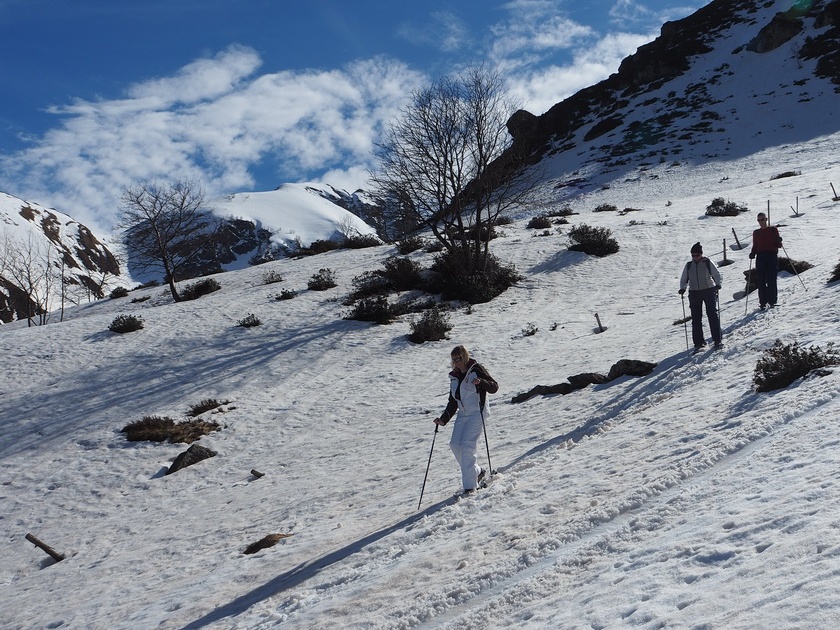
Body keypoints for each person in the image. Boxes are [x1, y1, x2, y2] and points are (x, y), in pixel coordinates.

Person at [434, 345, 498, 495]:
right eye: (454, 359)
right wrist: (443, 419)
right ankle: (476, 471)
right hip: (463, 415)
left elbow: (494, 387)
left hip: (477, 413)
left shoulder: (476, 369)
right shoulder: (454, 377)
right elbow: (453, 401)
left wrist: (481, 382)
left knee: (468, 445)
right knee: (455, 444)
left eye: (459, 358)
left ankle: (470, 487)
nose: (456, 362)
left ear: (465, 356)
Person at [679, 242, 723, 351]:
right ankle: (699, 343)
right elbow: (684, 278)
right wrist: (682, 288)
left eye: (697, 255)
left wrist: (718, 284)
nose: (695, 257)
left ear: (701, 254)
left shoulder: (707, 262)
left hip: (709, 290)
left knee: (712, 315)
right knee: (696, 318)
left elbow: (717, 274)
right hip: (694, 292)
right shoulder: (689, 265)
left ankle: (717, 340)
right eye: (693, 255)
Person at [749, 212, 783, 309]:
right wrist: (752, 253)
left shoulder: (773, 230)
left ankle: (772, 301)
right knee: (761, 280)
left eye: (762, 219)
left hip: (772, 256)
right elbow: (755, 245)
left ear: (766, 219)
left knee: (771, 279)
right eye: (759, 220)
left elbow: (779, 245)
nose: (761, 222)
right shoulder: (756, 232)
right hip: (761, 257)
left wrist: (779, 241)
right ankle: (762, 302)